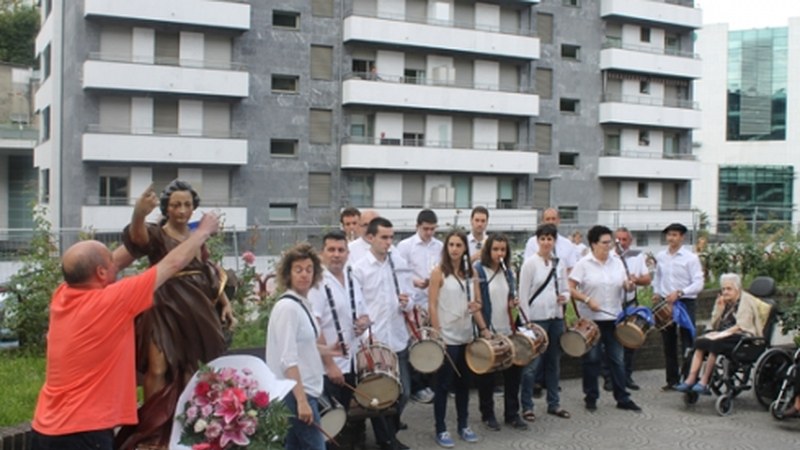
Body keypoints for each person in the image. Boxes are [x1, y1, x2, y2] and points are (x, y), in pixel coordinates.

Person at [30, 207, 221, 450]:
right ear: (101, 272)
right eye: (110, 261)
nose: (115, 262)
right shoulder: (113, 301)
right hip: (83, 433)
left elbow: (114, 261)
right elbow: (172, 264)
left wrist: (146, 228)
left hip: (45, 428)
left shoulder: (63, 295)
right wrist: (202, 232)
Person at [116, 181, 234, 450]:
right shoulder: (157, 235)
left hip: (196, 308)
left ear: (194, 208)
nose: (182, 210)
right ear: (166, 208)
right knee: (157, 366)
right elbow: (137, 238)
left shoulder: (196, 237)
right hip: (162, 306)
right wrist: (138, 214)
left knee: (193, 367)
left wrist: (225, 302)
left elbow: (208, 271)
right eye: (176, 205)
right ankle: (152, 429)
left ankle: (189, 423)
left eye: (187, 205)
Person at [351, 217, 413, 450]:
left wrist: (407, 302)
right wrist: (366, 337)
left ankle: (389, 433)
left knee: (404, 392)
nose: (389, 242)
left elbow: (411, 296)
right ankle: (387, 440)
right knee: (379, 393)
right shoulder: (359, 269)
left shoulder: (398, 263)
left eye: (391, 237)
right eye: (384, 237)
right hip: (374, 340)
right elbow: (356, 307)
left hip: (397, 337)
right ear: (370, 238)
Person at [569, 225, 642, 413]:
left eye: (610, 242)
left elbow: (624, 284)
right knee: (592, 359)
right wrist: (587, 299)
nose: (609, 246)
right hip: (591, 319)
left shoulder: (617, 262)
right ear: (593, 244)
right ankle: (591, 396)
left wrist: (629, 285)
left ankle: (622, 397)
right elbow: (570, 288)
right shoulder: (583, 264)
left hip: (613, 317)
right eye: (604, 243)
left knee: (617, 359)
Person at [429, 231, 492, 448]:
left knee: (464, 384)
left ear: (465, 248)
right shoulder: (438, 272)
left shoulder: (470, 272)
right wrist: (437, 333)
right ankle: (440, 428)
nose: (454, 249)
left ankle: (463, 424)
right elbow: (432, 305)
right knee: (443, 385)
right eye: (451, 245)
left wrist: (483, 327)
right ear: (446, 248)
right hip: (447, 337)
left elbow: (478, 303)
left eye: (459, 245)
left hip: (466, 336)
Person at [266, 243, 333, 450]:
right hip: (296, 393)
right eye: (298, 270)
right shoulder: (288, 307)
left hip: (305, 390)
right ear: (288, 274)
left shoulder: (302, 303)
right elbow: (288, 358)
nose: (305, 275)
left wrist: (330, 351)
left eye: (309, 269)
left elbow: (304, 348)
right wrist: (302, 401)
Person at [308, 232, 370, 427]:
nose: (336, 255)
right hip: (328, 369)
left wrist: (363, 322)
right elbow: (314, 327)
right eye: (331, 250)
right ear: (322, 253)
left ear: (347, 254)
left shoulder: (352, 279)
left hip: (351, 362)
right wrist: (330, 365)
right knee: (329, 424)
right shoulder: (317, 284)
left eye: (341, 250)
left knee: (343, 420)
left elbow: (364, 313)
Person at [675, 273, 764, 395]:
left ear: (737, 289)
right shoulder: (724, 301)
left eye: (729, 289)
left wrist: (720, 335)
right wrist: (719, 309)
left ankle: (704, 381)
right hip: (723, 334)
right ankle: (691, 379)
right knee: (700, 342)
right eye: (723, 289)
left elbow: (742, 325)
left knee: (715, 344)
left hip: (741, 336)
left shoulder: (746, 301)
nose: (725, 292)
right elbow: (714, 324)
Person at [474, 234, 529, 431]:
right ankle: (487, 414)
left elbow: (508, 297)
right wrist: (483, 329)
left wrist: (513, 302)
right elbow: (476, 302)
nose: (499, 253)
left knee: (513, 374)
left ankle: (512, 414)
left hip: (507, 329)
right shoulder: (479, 271)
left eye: (503, 250)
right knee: (487, 376)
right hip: (489, 331)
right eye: (495, 249)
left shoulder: (508, 272)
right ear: (488, 250)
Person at [518, 224, 570, 421]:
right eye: (543, 238)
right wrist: (526, 322)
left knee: (554, 363)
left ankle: (554, 403)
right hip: (536, 320)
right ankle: (527, 405)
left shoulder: (559, 263)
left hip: (555, 317)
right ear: (537, 241)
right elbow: (523, 295)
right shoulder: (530, 264)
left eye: (550, 239)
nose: (546, 242)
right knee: (532, 365)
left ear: (554, 241)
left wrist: (564, 297)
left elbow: (566, 289)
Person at [396, 209, 442, 404]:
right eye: (425, 229)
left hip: (433, 300)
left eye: (432, 229)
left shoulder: (439, 246)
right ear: (417, 227)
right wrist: (417, 282)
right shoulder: (405, 246)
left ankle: (431, 383)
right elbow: (400, 273)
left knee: (432, 342)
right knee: (414, 343)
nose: (429, 233)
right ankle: (416, 386)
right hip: (414, 301)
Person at [652, 222, 704, 391]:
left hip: (685, 302)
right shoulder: (661, 256)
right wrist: (656, 292)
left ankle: (688, 378)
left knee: (687, 341)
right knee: (668, 342)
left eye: (675, 235)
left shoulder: (691, 258)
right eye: (669, 235)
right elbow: (658, 277)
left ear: (682, 237)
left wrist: (681, 292)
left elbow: (698, 283)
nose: (671, 238)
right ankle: (672, 380)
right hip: (666, 302)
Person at [603, 227, 651, 391]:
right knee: (610, 343)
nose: (621, 243)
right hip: (612, 305)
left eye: (624, 240)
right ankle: (609, 377)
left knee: (630, 341)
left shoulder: (637, 257)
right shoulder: (608, 257)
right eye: (618, 240)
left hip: (629, 303)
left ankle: (627, 376)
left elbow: (647, 279)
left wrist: (636, 280)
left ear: (630, 241)